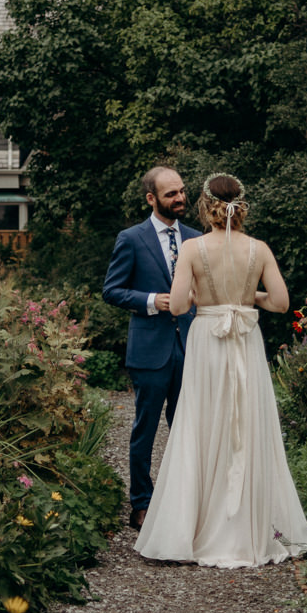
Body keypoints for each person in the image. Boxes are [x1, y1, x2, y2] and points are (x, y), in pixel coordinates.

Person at [136, 173, 307, 568]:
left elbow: (179, 306)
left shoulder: (193, 249)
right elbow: (282, 303)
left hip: (208, 343)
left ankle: (194, 529)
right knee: (247, 427)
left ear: (204, 206)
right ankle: (251, 529)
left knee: (203, 427)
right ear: (242, 206)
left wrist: (203, 295)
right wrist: (248, 295)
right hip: (245, 341)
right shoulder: (260, 249)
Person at [102, 166, 203, 530]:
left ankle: (184, 501)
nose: (180, 199)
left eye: (181, 191)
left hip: (191, 346)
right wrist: (150, 300)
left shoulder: (196, 238)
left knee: (188, 428)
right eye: (171, 194)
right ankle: (141, 503)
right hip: (149, 348)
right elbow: (111, 290)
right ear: (151, 198)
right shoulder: (131, 238)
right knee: (145, 429)